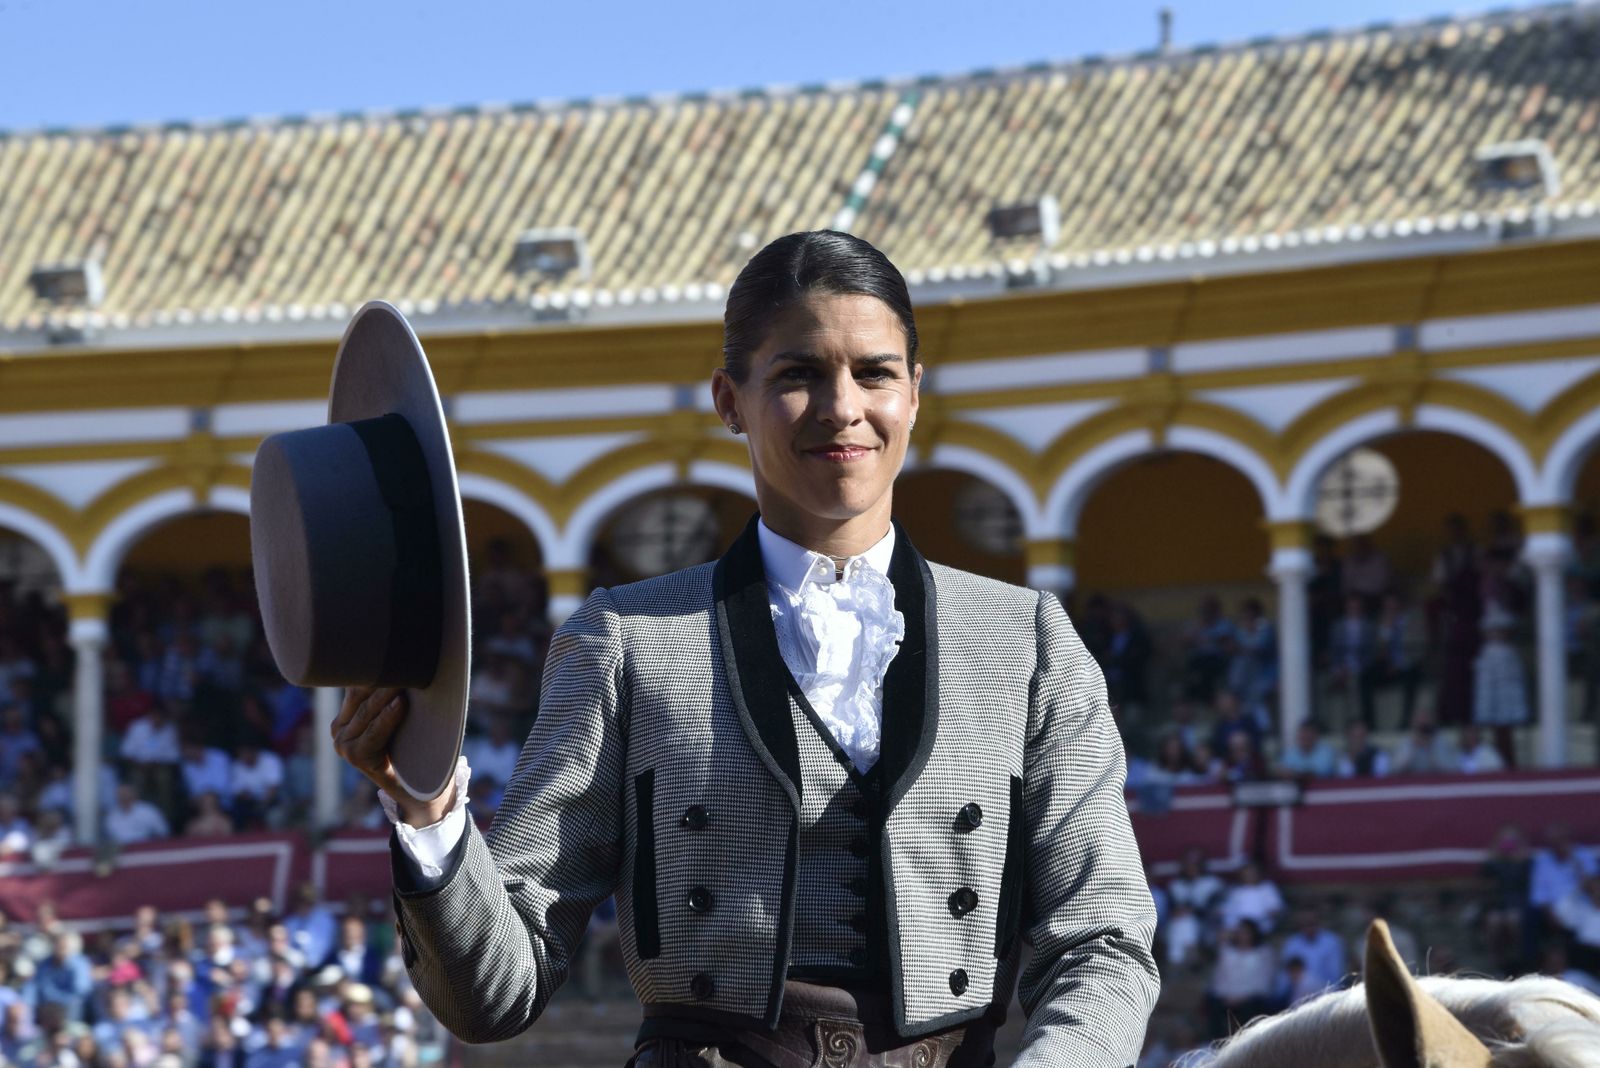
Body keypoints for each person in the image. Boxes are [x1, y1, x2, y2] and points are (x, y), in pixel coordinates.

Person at [332, 231, 1159, 1065]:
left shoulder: (1026, 643)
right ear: (730, 400)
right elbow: (495, 993)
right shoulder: (628, 643)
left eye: (874, 372)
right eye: (799, 374)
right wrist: (431, 814)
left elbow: (1103, 940)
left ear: (914, 392)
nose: (843, 408)